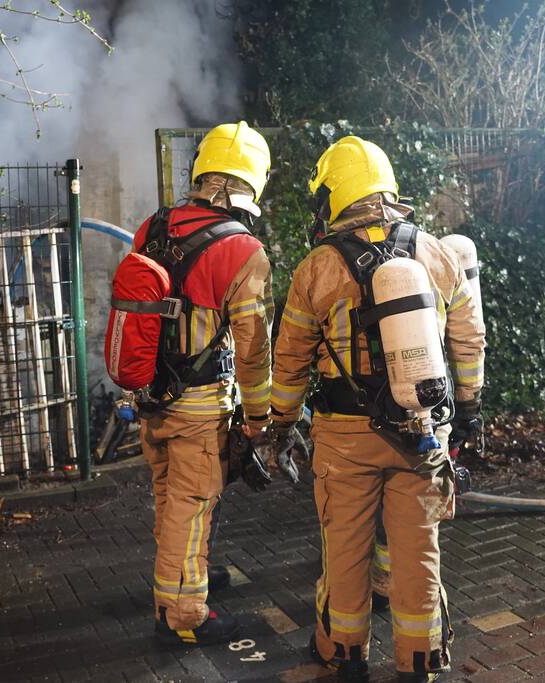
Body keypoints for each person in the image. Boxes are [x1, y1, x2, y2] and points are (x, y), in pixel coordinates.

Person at [268, 136, 485, 682]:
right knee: (418, 550)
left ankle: (343, 654)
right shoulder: (434, 252)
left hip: (345, 437)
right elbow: (469, 340)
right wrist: (468, 408)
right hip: (422, 430)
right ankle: (420, 660)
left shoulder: (317, 267)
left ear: (333, 197)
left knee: (345, 549)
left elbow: (289, 359)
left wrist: (281, 423)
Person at [131, 121, 274, 646]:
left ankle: (177, 582)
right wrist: (258, 418)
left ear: (201, 171)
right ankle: (183, 617)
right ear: (251, 184)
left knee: (170, 500)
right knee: (190, 509)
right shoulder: (243, 250)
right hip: (199, 408)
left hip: (151, 397)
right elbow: (254, 348)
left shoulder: (153, 228)